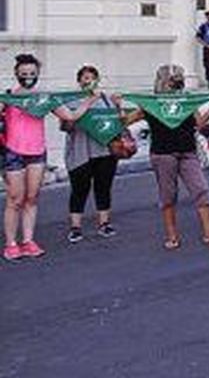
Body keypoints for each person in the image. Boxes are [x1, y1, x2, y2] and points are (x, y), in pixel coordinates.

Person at [119, 64, 209, 249]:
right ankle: (172, 236)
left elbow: (199, 123)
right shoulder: (151, 103)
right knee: (168, 195)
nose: (177, 82)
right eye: (174, 79)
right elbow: (125, 121)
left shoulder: (186, 100)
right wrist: (118, 105)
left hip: (187, 152)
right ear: (164, 81)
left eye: (179, 78)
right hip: (163, 154)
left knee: (201, 189)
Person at [2, 54, 71, 259]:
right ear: (16, 74)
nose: (28, 77)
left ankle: (28, 241)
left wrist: (90, 99)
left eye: (32, 73)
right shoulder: (9, 97)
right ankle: (11, 243)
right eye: (24, 74)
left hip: (37, 153)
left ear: (38, 74)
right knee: (15, 199)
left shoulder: (44, 98)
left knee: (31, 198)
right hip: (13, 152)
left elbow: (69, 116)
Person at [59, 66, 121, 243]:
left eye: (92, 78)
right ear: (79, 81)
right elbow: (66, 127)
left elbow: (117, 123)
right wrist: (86, 105)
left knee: (103, 188)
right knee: (79, 190)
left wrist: (118, 106)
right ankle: (75, 228)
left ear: (97, 80)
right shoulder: (71, 100)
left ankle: (104, 224)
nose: (88, 81)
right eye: (85, 78)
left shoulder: (106, 99)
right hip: (80, 152)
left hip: (104, 151)